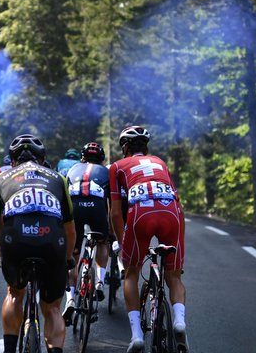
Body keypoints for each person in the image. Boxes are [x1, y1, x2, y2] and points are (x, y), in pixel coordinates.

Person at [0, 134, 76, 353]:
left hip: (16, 240)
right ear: (42, 158)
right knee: (53, 308)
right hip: (52, 240)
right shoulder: (58, 179)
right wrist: (68, 258)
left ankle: (9, 349)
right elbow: (70, 229)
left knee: (15, 294)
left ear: (12, 159)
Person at [108, 126, 187, 353]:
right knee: (174, 276)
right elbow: (177, 201)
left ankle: (136, 336)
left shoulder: (117, 167)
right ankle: (179, 321)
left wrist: (123, 246)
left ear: (124, 147)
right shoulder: (160, 162)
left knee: (131, 273)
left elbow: (114, 212)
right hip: (171, 212)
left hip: (140, 213)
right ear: (147, 147)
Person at [62, 142, 111, 325]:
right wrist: (110, 233)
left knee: (72, 256)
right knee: (101, 243)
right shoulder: (105, 171)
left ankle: (70, 300)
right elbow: (110, 205)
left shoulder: (73, 168)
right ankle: (99, 281)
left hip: (75, 209)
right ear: (101, 159)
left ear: (82, 157)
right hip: (97, 209)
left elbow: (64, 199)